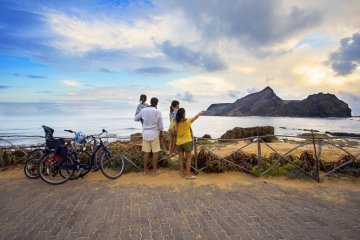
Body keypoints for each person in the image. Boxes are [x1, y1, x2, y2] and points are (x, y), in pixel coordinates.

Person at [134, 97, 163, 176]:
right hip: (154, 134)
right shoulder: (157, 111)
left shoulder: (144, 110)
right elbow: (160, 125)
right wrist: (161, 133)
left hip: (145, 134)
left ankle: (145, 170)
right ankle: (154, 171)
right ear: (157, 103)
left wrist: (143, 120)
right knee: (155, 153)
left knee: (146, 153)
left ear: (150, 102)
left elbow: (136, 118)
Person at [174, 108, 203, 179]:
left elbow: (175, 132)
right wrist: (199, 113)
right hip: (187, 141)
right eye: (185, 112)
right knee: (188, 158)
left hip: (179, 142)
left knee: (180, 158)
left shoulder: (176, 122)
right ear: (183, 114)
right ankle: (188, 174)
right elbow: (195, 118)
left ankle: (182, 173)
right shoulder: (187, 121)